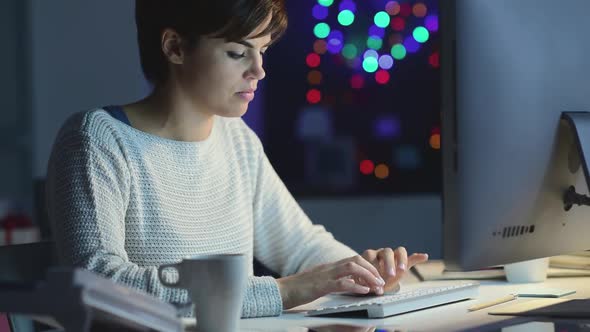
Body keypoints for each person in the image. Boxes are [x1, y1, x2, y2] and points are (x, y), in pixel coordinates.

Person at [45, 0, 429, 318]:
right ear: (175, 47)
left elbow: (300, 247)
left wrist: (363, 274)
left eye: (261, 51)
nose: (258, 71)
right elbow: (98, 281)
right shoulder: (97, 139)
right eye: (236, 52)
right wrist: (282, 292)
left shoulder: (238, 141)